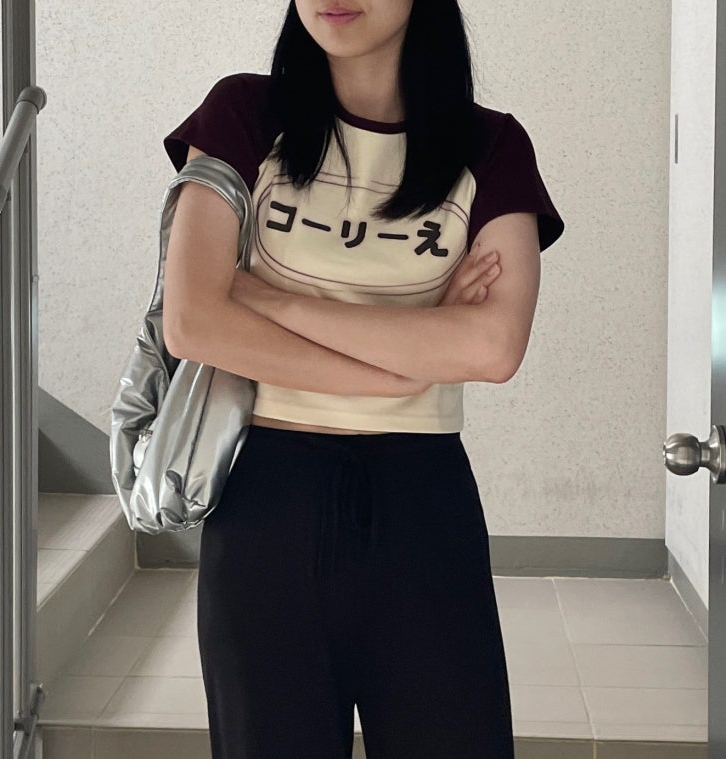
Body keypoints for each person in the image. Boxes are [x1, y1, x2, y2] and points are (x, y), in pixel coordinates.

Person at [161, 1, 565, 756]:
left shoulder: (491, 146)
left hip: (423, 508)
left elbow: (492, 346)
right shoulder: (241, 115)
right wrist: (402, 365)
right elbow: (192, 321)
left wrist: (268, 299)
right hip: (265, 504)